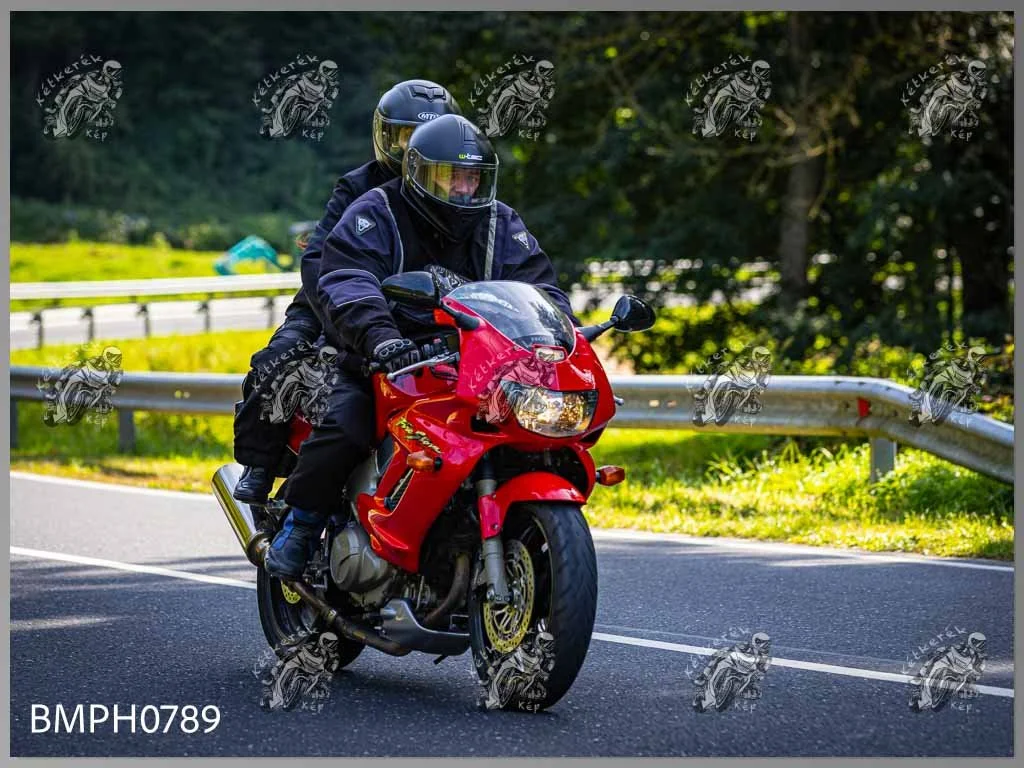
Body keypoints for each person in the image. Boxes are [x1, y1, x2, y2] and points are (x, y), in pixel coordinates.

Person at [263, 113, 579, 580]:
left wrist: (561, 331)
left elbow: (539, 286)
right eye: (451, 177)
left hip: (474, 362)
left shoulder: (500, 222)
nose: (463, 190)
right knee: (346, 423)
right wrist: (381, 337)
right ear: (418, 173)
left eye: (473, 178)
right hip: (382, 356)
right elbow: (347, 278)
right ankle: (302, 525)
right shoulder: (376, 212)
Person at [232, 79, 462, 504]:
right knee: (279, 358)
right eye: (404, 137)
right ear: (384, 136)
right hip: (331, 302)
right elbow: (319, 259)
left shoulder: (460, 196)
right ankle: (261, 460)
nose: (413, 149)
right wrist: (346, 313)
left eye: (425, 136)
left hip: (420, 313)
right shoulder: (360, 186)